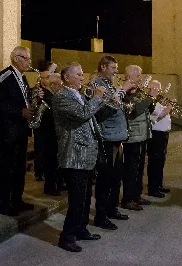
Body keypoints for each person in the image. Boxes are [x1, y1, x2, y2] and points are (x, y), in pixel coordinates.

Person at [53, 62, 106, 252]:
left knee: (84, 198)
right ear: (67, 78)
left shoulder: (79, 95)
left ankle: (81, 229)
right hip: (73, 155)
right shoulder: (62, 97)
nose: (83, 78)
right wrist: (98, 98)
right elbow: (83, 114)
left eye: (83, 74)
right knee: (76, 199)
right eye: (79, 74)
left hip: (86, 153)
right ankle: (67, 236)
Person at [0, 46, 42, 216]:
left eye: (29, 58)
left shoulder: (22, 77)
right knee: (7, 168)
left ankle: (17, 200)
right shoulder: (4, 76)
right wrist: (20, 111)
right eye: (26, 58)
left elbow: (21, 98)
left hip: (21, 129)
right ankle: (3, 204)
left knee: (19, 167)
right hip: (9, 130)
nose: (29, 62)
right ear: (16, 58)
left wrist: (34, 92)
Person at [89, 55, 134, 230]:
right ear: (103, 67)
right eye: (113, 68)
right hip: (107, 138)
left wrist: (125, 104)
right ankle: (101, 216)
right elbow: (103, 109)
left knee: (115, 177)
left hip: (117, 137)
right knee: (105, 179)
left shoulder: (109, 85)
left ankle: (111, 209)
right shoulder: (96, 84)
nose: (116, 71)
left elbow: (114, 103)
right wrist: (122, 90)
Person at [121, 65, 158, 211]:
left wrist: (151, 100)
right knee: (131, 169)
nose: (140, 79)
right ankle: (128, 198)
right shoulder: (125, 93)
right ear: (129, 76)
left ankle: (136, 195)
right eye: (138, 76)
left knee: (139, 168)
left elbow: (149, 109)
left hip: (142, 135)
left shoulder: (139, 92)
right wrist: (149, 98)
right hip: (132, 137)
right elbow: (134, 111)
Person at [36, 69, 65, 196]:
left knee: (55, 161)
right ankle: (50, 186)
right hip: (48, 134)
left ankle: (57, 184)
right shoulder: (47, 96)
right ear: (52, 85)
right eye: (59, 85)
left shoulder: (53, 96)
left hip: (53, 133)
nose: (61, 87)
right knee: (51, 162)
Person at [147, 80, 173, 196]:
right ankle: (153, 188)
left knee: (161, 161)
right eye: (156, 88)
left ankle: (159, 184)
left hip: (163, 134)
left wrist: (167, 109)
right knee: (155, 162)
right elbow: (158, 115)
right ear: (151, 88)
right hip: (156, 134)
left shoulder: (158, 101)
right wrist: (168, 108)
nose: (159, 91)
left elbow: (164, 114)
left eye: (159, 88)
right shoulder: (151, 102)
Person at [33, 61, 56, 181]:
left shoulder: (53, 90)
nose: (43, 80)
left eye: (46, 77)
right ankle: (39, 171)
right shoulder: (37, 90)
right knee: (40, 149)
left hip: (50, 124)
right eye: (42, 77)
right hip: (40, 124)